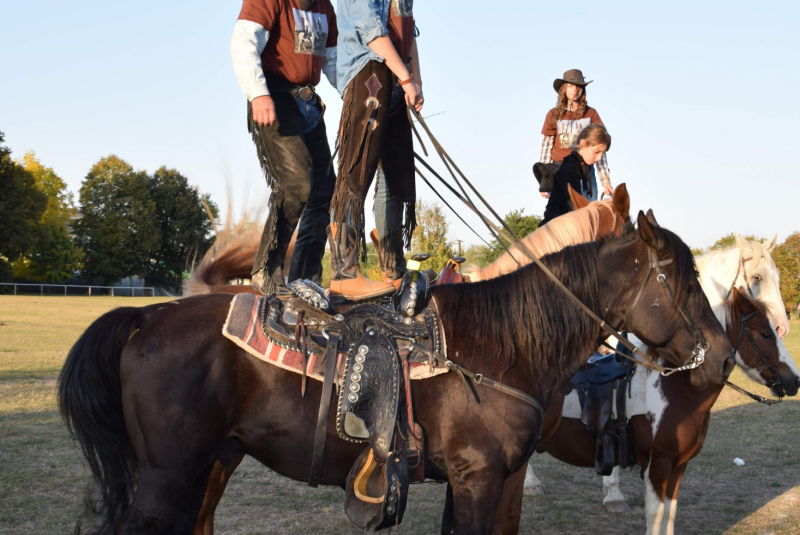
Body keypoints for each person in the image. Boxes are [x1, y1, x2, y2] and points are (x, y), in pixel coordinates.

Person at [230, 0, 338, 295]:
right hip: (274, 95)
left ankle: (305, 278)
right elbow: (243, 42)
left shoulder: (324, 6)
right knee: (296, 184)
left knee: (325, 191)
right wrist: (257, 94)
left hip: (308, 101)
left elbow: (333, 61)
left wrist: (359, 97)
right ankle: (265, 269)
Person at [326, 0, 424, 300]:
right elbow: (371, 31)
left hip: (396, 76)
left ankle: (392, 270)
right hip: (369, 72)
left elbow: (409, 33)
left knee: (396, 177)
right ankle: (344, 273)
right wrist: (406, 78)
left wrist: (414, 78)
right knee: (356, 173)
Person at [540, 69, 613, 202]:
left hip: (585, 170)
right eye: (571, 86)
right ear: (564, 89)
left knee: (590, 211)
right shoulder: (553, 114)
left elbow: (600, 150)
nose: (575, 90)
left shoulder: (591, 114)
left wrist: (605, 181)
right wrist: (544, 180)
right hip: (560, 168)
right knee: (562, 214)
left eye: (579, 86)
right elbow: (547, 146)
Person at [541, 124, 611, 226]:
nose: (599, 158)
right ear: (583, 144)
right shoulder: (570, 170)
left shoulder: (583, 169)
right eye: (597, 152)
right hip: (557, 229)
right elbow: (574, 208)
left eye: (602, 153)